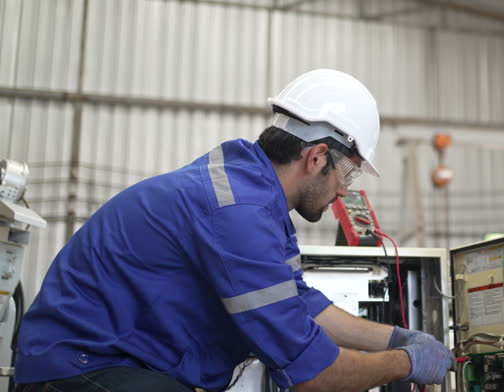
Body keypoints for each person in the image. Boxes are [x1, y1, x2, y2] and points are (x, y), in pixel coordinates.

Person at [14, 69, 454, 392]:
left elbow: (300, 304)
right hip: (79, 369)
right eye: (349, 175)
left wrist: (396, 337)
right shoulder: (237, 212)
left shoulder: (251, 194)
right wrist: (404, 362)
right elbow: (313, 375)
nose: (343, 191)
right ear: (317, 157)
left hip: (108, 365)